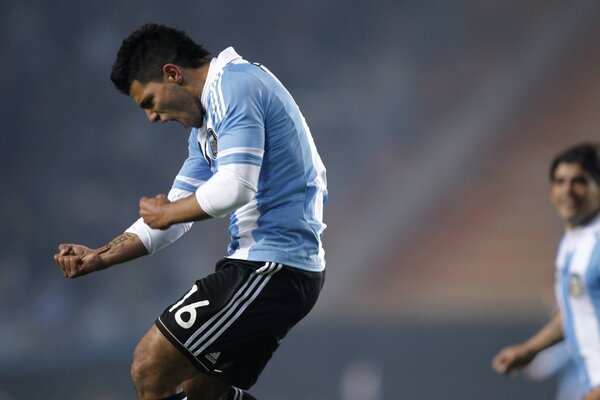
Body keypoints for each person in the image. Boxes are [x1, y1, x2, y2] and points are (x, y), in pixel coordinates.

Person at [54, 23, 327, 400]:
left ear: (172, 74)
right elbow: (169, 219)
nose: (152, 118)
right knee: (204, 393)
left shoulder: (237, 85)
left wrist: (167, 214)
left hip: (274, 267)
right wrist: (100, 257)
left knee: (149, 367)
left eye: (149, 102)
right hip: (270, 270)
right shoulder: (204, 129)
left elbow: (234, 186)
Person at [491, 143, 600, 400]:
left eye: (579, 181)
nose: (568, 190)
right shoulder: (572, 243)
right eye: (560, 181)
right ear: (551, 191)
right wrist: (530, 350)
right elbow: (576, 310)